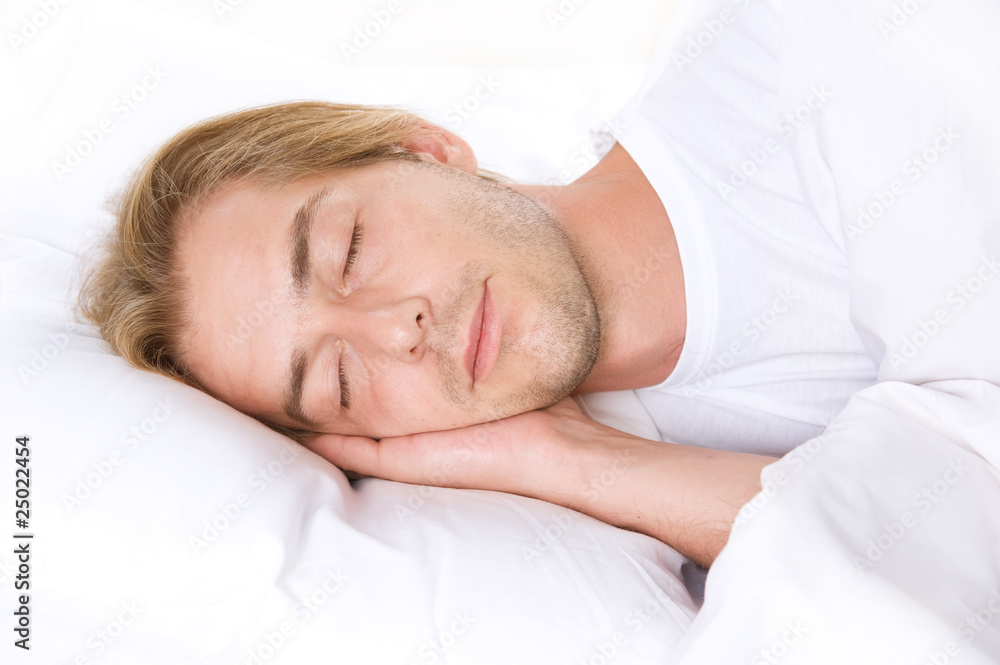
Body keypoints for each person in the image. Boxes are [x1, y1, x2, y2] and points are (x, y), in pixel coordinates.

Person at [79, 0, 999, 572]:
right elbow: (948, 562)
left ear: (424, 149)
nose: (396, 330)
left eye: (350, 249)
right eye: (339, 378)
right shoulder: (639, 509)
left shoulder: (807, 42)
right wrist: (569, 464)